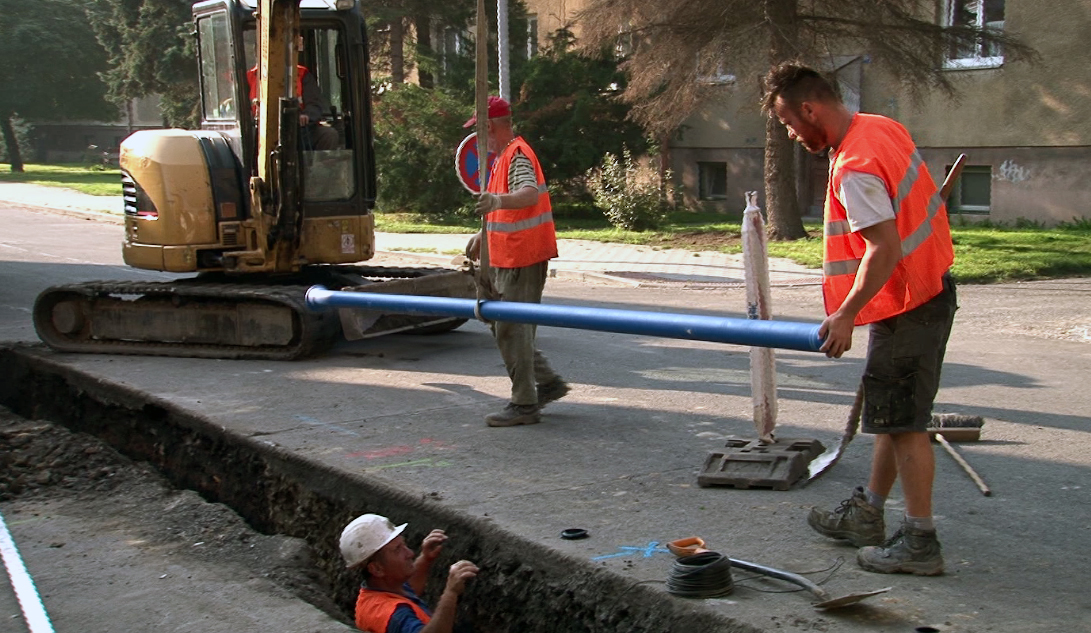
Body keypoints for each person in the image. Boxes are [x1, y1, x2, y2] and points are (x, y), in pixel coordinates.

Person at [761, 63, 957, 576]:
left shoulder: (855, 164)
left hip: (909, 302)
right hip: (923, 293)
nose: (790, 134)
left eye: (788, 124)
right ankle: (869, 512)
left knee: (905, 425)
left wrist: (846, 314)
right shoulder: (882, 126)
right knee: (891, 418)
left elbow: (883, 247)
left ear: (809, 109)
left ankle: (920, 543)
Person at [463, 96, 570, 427]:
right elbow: (506, 209)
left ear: (491, 126)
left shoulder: (517, 154)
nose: (478, 137)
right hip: (510, 254)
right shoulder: (502, 158)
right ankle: (547, 383)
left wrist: (495, 201)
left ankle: (525, 404)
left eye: (480, 129)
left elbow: (528, 194)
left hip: (523, 255)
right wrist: (485, 236)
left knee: (510, 328)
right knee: (505, 326)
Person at [340, 513, 479, 633]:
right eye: (397, 549)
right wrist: (451, 593)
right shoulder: (390, 614)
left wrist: (426, 558)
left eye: (404, 545)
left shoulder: (385, 587)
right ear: (377, 569)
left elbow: (409, 587)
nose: (410, 553)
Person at [246, 35, 339, 150]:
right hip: (261, 131)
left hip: (299, 130)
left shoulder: (301, 74)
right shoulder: (249, 78)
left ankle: (317, 166)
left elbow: (314, 103)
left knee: (328, 135)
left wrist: (307, 115)